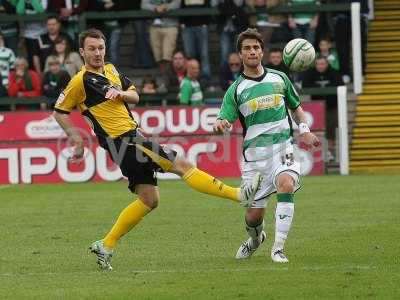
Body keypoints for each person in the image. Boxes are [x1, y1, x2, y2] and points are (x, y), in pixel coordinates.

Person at [53, 28, 262, 271]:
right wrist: (75, 138)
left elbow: (135, 96)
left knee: (149, 200)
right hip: (124, 140)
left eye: (100, 48)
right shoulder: (80, 81)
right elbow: (59, 111)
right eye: (91, 49)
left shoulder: (110, 69)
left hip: (130, 138)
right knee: (182, 164)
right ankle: (238, 195)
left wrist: (121, 94)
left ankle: (107, 245)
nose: (97, 53)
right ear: (82, 51)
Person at [213, 28, 320, 263]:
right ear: (240, 54)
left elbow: (297, 109)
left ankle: (278, 248)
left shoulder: (280, 78)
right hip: (255, 158)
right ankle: (255, 240)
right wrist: (221, 124)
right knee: (253, 216)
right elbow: (225, 118)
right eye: (247, 48)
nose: (252, 51)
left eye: (256, 47)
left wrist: (305, 131)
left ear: (262, 51)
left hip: (283, 149)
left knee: (286, 184)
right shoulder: (236, 90)